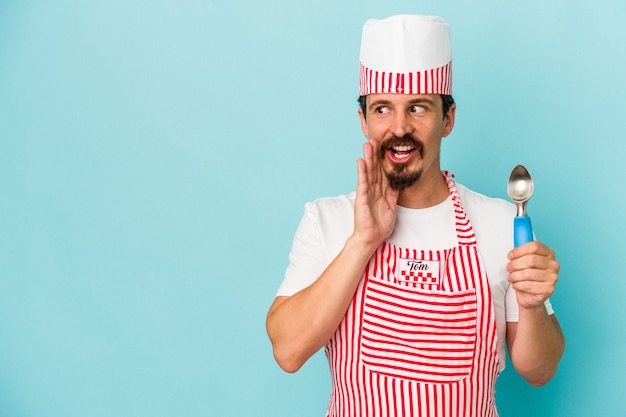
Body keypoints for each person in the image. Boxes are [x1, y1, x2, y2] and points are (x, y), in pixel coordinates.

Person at [266, 14, 565, 416]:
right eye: (383, 109)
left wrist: (530, 305)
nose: (400, 127)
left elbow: (539, 369)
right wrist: (363, 241)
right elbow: (288, 350)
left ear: (448, 119)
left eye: (419, 107)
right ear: (364, 120)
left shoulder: (500, 224)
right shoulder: (328, 220)